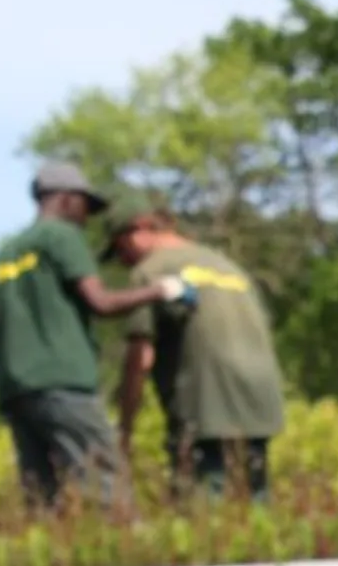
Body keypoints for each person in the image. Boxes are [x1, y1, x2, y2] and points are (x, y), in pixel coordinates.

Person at [0, 163, 193, 506]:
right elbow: (102, 302)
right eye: (85, 207)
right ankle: (124, 555)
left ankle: (49, 557)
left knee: (42, 494)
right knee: (104, 481)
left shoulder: (8, 252)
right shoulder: (61, 236)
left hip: (16, 391)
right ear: (66, 200)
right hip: (64, 383)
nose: (87, 219)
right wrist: (162, 290)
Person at [103, 194, 287, 502]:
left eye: (121, 249)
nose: (123, 261)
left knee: (203, 516)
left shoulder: (149, 272)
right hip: (259, 408)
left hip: (204, 412)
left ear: (140, 229)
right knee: (255, 511)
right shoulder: (228, 266)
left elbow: (141, 356)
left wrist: (125, 428)